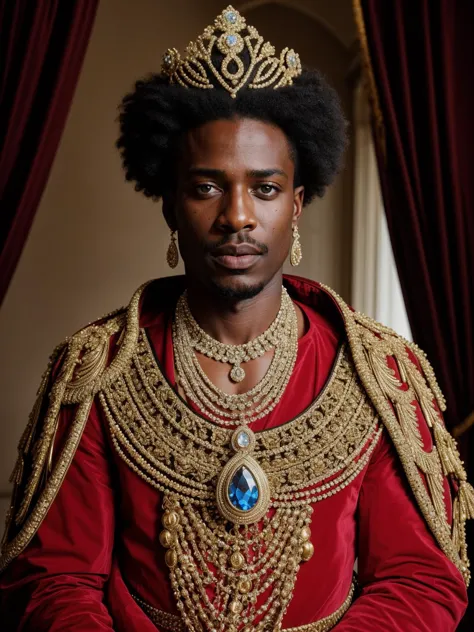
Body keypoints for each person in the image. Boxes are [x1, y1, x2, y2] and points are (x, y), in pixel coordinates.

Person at [0, 6, 472, 631]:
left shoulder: (381, 374)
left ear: (297, 205)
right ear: (169, 204)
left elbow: (420, 580)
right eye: (206, 187)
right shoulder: (95, 374)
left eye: (266, 189)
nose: (239, 216)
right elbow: (56, 581)